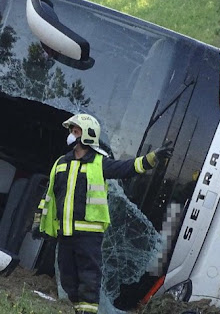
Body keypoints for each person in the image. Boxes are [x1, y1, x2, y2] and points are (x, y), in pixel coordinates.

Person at [38, 113, 173, 314]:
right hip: (65, 233)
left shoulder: (100, 163)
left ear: (87, 135)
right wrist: (38, 222)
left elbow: (129, 168)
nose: (71, 136)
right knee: (67, 278)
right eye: (71, 131)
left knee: (89, 276)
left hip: (89, 234)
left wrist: (152, 158)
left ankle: (87, 311)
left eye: (76, 131)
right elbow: (48, 195)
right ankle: (79, 308)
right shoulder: (61, 163)